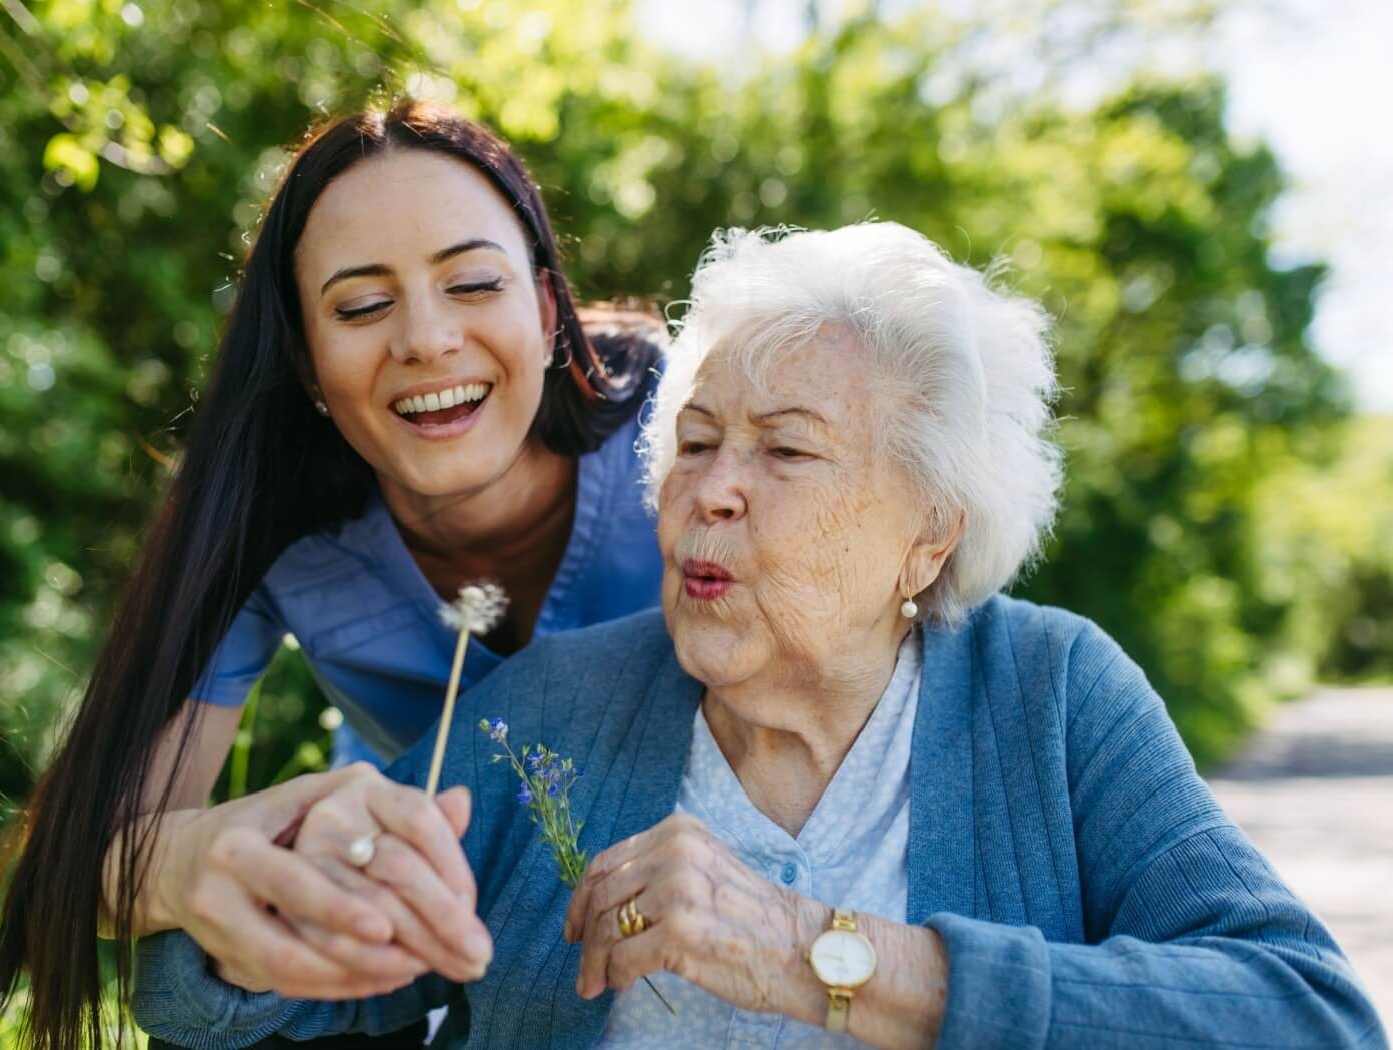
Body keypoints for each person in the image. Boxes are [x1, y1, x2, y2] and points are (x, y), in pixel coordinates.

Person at [131, 222, 1386, 1049]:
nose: (710, 489)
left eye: (785, 450)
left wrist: (827, 959)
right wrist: (275, 888)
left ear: (930, 535)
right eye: (693, 443)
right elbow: (205, 1004)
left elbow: (1309, 1017)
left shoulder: (1047, 695)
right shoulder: (550, 707)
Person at [0, 101, 668, 1050]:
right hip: (419, 930)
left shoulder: (694, 422)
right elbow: (70, 856)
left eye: (471, 282)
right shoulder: (268, 521)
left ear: (546, 311)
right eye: (362, 305)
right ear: (305, 362)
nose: (425, 339)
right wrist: (194, 859)